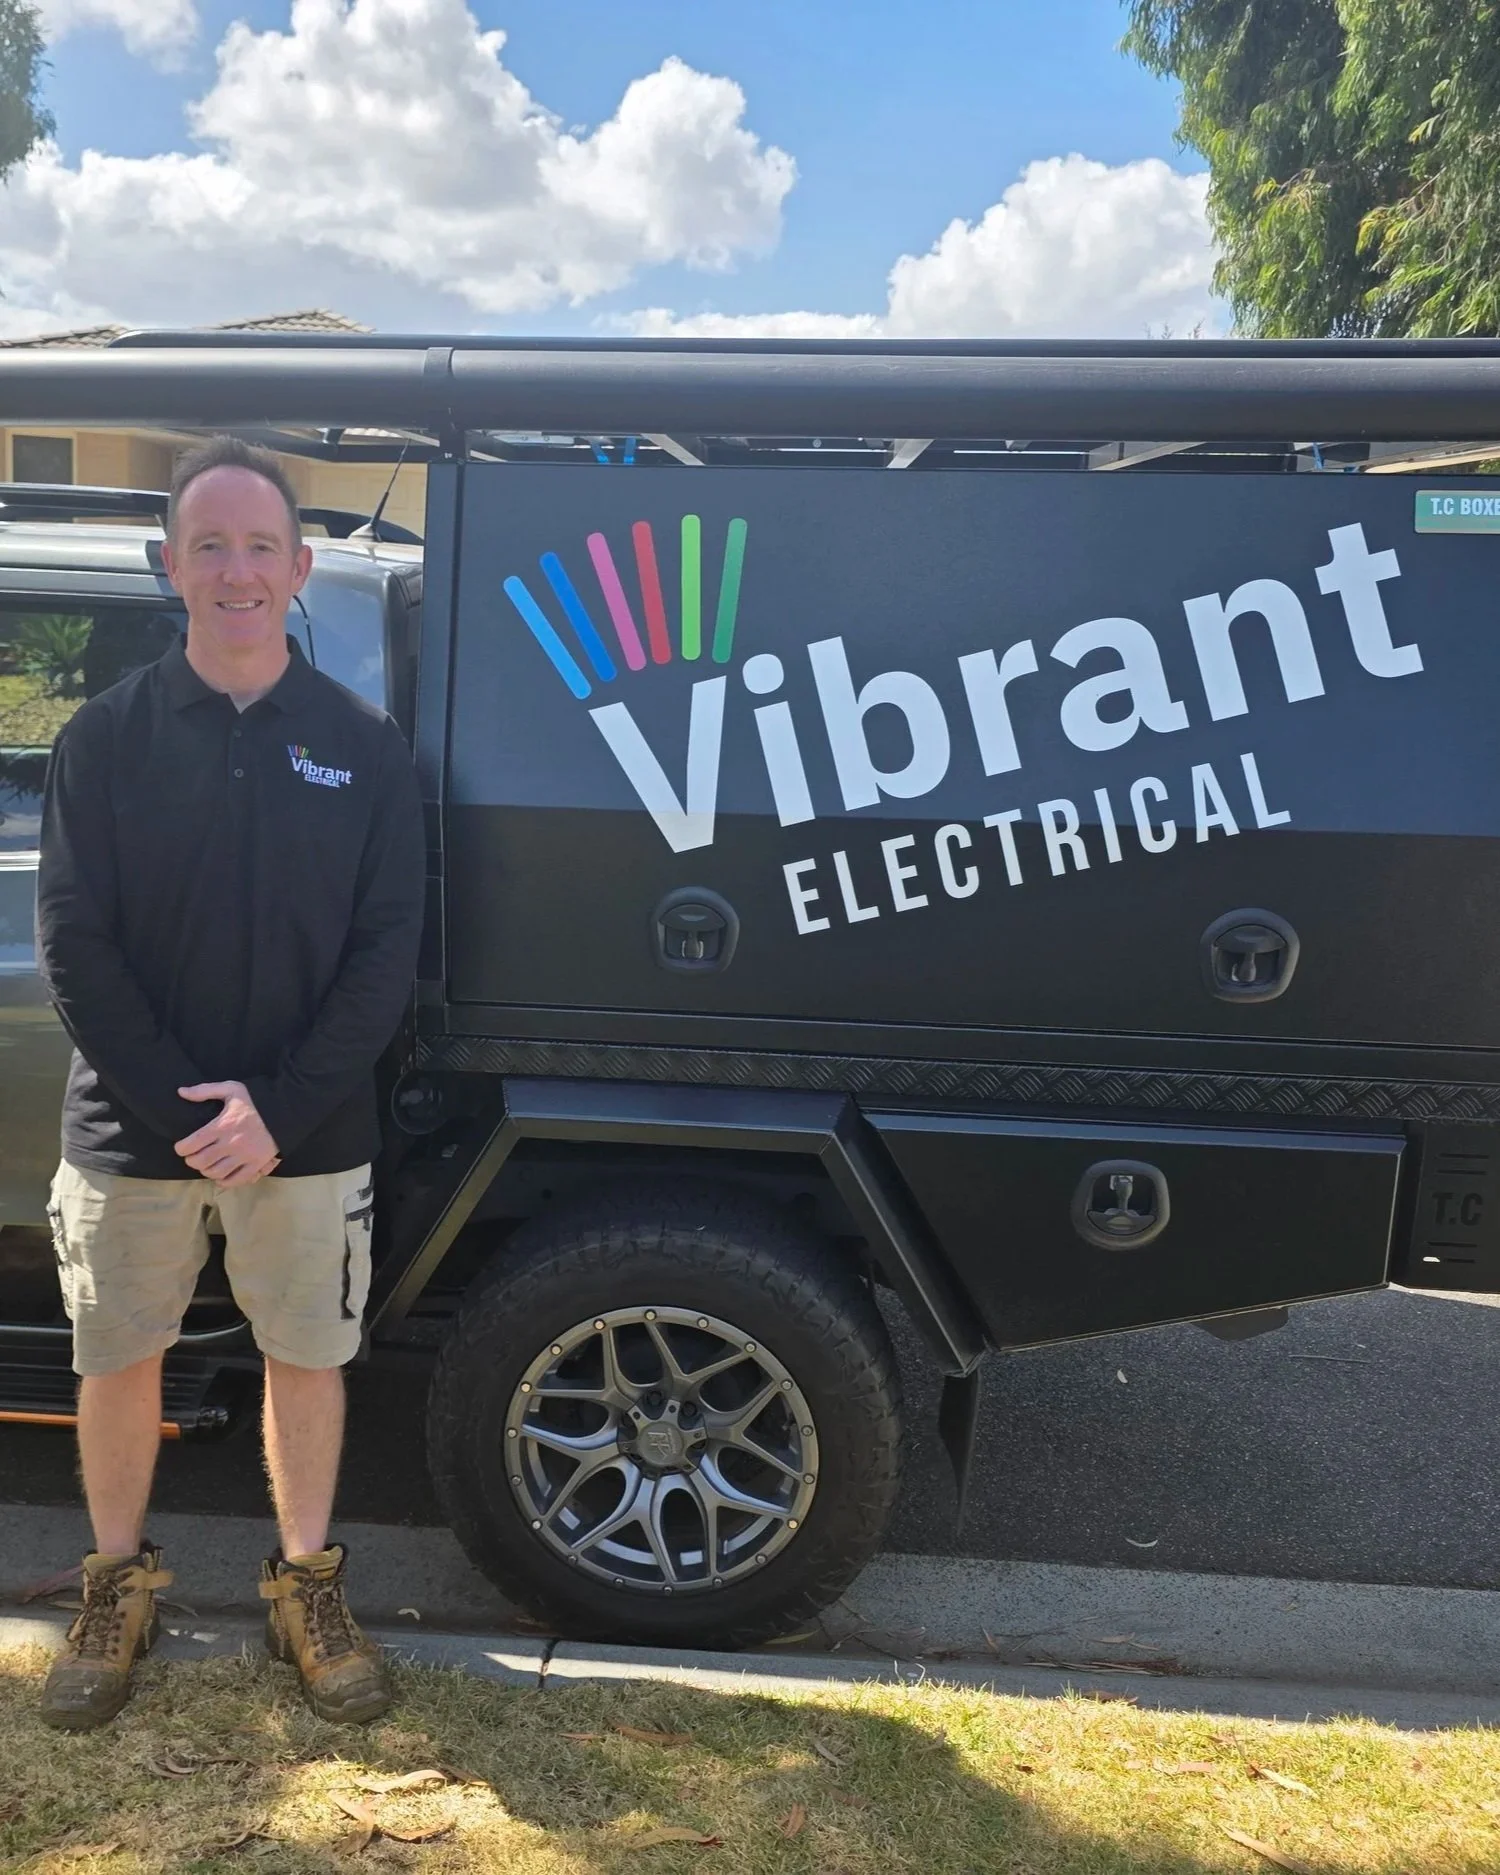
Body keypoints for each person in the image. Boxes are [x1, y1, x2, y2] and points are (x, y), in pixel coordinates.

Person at [34, 436, 426, 1731]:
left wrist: (280, 1106)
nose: (237, 570)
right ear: (171, 566)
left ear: (300, 567)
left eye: (261, 546)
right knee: (117, 1354)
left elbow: (386, 957)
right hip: (131, 1130)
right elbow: (74, 944)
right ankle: (114, 1588)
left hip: (305, 1134)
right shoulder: (103, 739)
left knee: (305, 1355)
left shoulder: (366, 749)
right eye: (211, 544)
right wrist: (183, 1110)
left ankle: (305, 1586)